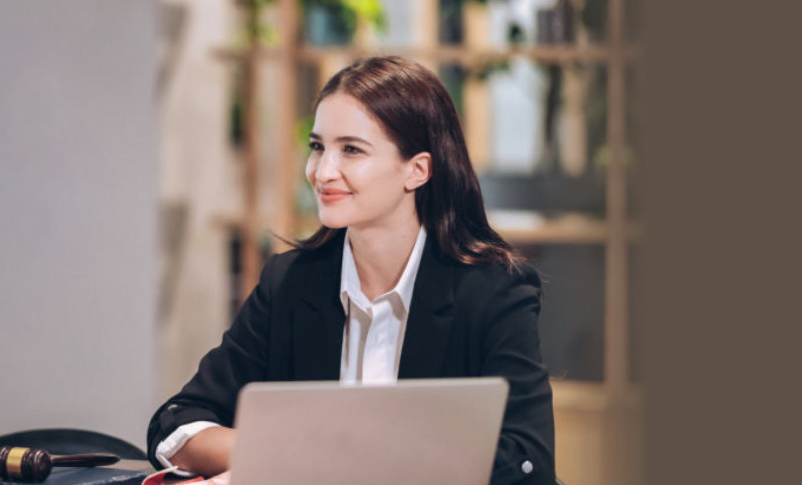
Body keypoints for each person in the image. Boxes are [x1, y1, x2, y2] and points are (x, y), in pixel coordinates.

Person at [146, 56, 555, 485]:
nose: (322, 172)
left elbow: (526, 462)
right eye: (318, 146)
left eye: (352, 150)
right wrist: (295, 458)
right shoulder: (288, 283)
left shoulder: (493, 291)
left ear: (417, 170)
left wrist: (324, 461)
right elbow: (176, 426)